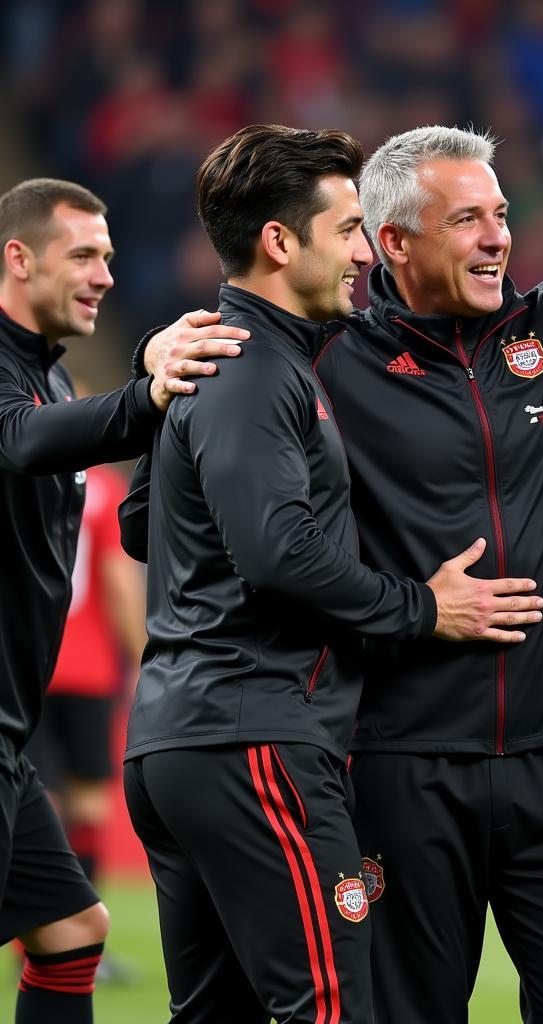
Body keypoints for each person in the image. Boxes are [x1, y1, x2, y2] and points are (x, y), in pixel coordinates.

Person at [133, 123, 543, 1022]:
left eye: (499, 214)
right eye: (467, 220)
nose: (499, 235)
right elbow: (155, 513)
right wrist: (159, 368)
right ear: (393, 244)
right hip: (398, 763)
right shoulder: (320, 355)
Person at [120, 123, 543, 1024]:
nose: (363, 253)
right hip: (256, 737)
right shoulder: (251, 367)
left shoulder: (235, 358)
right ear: (280, 241)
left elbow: (141, 523)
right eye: (347, 229)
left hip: (189, 737)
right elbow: (279, 557)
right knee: (332, 1006)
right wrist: (423, 607)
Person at [0, 177, 245, 1023]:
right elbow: (21, 443)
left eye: (108, 255)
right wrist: (148, 391)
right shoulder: (15, 383)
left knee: (71, 931)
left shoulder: (56, 379)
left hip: (11, 724)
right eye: (82, 255)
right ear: (18, 257)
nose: (104, 273)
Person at [24, 448, 145, 983]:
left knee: (34, 801)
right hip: (90, 668)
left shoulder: (20, 471)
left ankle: (37, 942)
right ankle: (81, 951)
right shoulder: (99, 488)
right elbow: (118, 580)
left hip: (28, 662)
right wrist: (144, 656)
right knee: (90, 802)